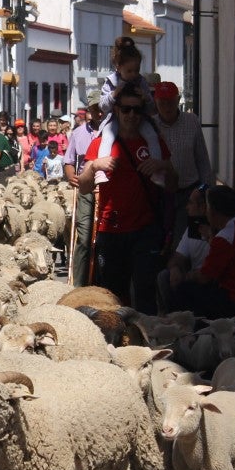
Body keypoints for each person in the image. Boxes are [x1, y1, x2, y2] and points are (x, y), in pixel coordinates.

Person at [75, 82, 177, 312]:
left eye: (137, 110)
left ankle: (146, 344)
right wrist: (94, 166)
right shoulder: (101, 144)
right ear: (117, 111)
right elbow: (83, 188)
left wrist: (162, 166)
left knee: (145, 295)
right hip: (111, 231)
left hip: (146, 230)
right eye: (126, 109)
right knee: (113, 298)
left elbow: (173, 184)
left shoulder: (153, 144)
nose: (132, 115)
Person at [172, 185, 235, 345]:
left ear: (215, 211)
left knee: (184, 291)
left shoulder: (225, 237)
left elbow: (205, 276)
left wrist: (187, 275)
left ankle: (197, 341)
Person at [97, 36, 162, 187]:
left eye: (137, 70)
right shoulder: (111, 81)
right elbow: (103, 106)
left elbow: (152, 109)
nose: (134, 74)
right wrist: (114, 93)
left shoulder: (141, 81)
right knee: (107, 136)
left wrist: (145, 97)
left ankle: (158, 171)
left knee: (152, 136)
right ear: (118, 67)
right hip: (114, 118)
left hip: (140, 119)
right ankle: (100, 170)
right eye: (129, 71)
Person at [153, 81, 214, 241]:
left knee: (186, 241)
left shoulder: (191, 121)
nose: (166, 107)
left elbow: (203, 162)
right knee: (161, 239)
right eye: (162, 103)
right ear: (155, 102)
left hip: (190, 192)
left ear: (178, 100)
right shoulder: (151, 125)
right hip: (161, 194)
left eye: (170, 102)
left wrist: (203, 190)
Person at [64, 95, 103, 286]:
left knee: (103, 238)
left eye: (102, 107)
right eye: (95, 108)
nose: (99, 111)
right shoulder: (78, 133)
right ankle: (78, 284)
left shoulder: (114, 130)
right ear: (89, 110)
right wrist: (71, 175)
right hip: (85, 188)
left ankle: (101, 280)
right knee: (85, 236)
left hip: (107, 188)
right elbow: (69, 160)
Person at [157, 186, 212, 313]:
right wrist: (175, 268)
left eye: (191, 203)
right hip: (193, 278)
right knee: (164, 276)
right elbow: (177, 257)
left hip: (207, 281)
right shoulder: (193, 229)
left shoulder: (219, 230)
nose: (187, 207)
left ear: (203, 207)